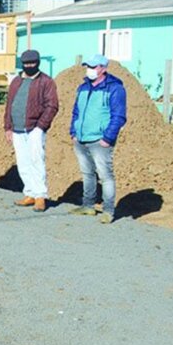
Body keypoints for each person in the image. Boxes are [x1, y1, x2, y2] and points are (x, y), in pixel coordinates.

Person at [69, 54, 127, 224]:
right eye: (88, 66)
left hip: (100, 140)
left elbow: (119, 116)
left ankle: (108, 210)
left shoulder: (115, 88)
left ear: (103, 68)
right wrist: (74, 131)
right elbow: (76, 112)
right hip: (81, 138)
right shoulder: (83, 88)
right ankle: (88, 206)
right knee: (87, 174)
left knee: (105, 176)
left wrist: (108, 138)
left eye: (93, 67)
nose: (90, 70)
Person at [3, 49, 59, 211]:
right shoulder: (15, 81)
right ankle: (30, 193)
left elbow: (52, 105)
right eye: (26, 63)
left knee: (37, 161)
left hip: (35, 128)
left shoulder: (46, 82)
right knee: (23, 162)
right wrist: (8, 127)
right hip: (17, 129)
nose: (29, 66)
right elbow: (9, 105)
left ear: (38, 63)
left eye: (32, 63)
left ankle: (40, 195)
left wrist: (41, 126)